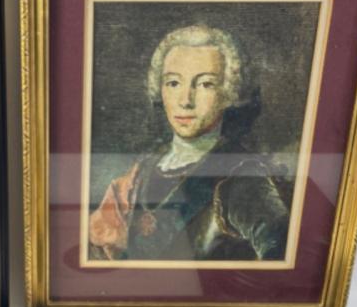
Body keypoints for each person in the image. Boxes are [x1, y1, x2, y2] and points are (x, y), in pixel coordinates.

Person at [88, 24, 289, 263]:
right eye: (173, 83)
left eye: (205, 84)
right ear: (160, 89)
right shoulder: (140, 172)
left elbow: (281, 260)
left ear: (229, 92)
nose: (185, 100)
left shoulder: (241, 176)